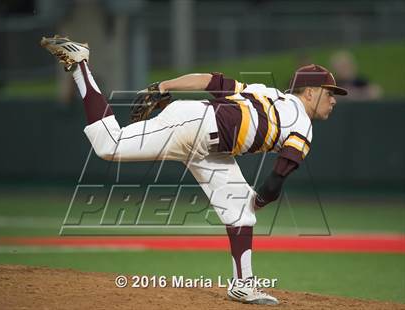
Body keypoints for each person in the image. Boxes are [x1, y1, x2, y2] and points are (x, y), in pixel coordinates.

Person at [41, 35, 347, 305]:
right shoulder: (302, 126)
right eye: (329, 93)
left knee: (239, 210)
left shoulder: (264, 91)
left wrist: (164, 85)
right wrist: (263, 200)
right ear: (308, 92)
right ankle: (81, 67)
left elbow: (210, 81)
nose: (333, 100)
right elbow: (278, 177)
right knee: (109, 145)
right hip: (197, 128)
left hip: (205, 139)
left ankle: (243, 285)